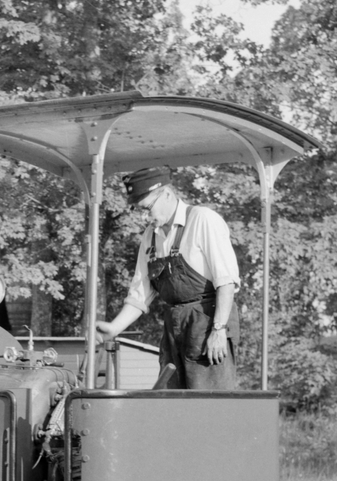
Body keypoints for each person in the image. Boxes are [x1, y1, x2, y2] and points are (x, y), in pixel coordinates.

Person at [96, 166, 241, 391]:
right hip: (174, 329)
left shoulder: (202, 219)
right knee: (170, 399)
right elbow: (140, 293)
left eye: (147, 209)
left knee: (210, 403)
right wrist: (114, 328)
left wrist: (218, 330)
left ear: (166, 194)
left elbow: (226, 282)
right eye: (139, 210)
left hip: (207, 324)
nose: (144, 217)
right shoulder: (150, 236)